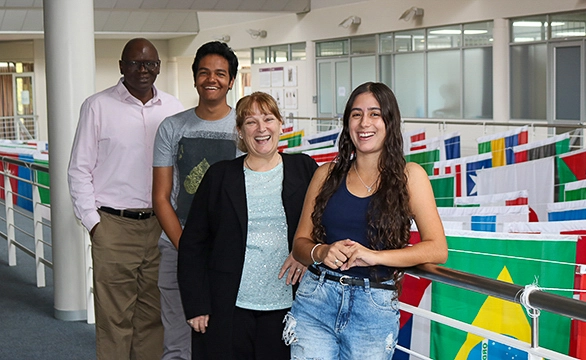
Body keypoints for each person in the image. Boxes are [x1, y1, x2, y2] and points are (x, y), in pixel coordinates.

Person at [284, 82, 448, 360]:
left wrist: (375, 257)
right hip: (316, 300)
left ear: (390, 122)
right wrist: (321, 251)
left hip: (373, 307)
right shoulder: (326, 174)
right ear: (347, 122)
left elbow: (437, 249)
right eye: (356, 114)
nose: (364, 123)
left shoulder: (411, 176)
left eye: (374, 113)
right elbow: (300, 244)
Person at [177, 92, 318, 359]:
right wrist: (196, 304)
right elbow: (193, 244)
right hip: (228, 308)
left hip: (290, 308)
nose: (261, 128)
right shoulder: (219, 176)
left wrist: (306, 253)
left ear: (280, 124)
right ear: (240, 131)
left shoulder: (305, 169)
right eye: (251, 122)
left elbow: (326, 223)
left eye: (268, 118)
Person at [68, 38, 184, 360]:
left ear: (159, 67)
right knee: (114, 319)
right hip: (114, 227)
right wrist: (95, 225)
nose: (143, 70)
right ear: (122, 67)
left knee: (152, 318)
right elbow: (79, 170)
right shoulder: (97, 106)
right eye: (135, 63)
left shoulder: (174, 109)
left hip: (161, 226)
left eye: (150, 64)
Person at [152, 41, 241, 360]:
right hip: (178, 245)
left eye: (220, 73)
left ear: (231, 80)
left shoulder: (245, 129)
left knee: (225, 340)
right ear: (194, 78)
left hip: (230, 250)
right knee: (177, 343)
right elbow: (161, 197)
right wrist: (188, 247)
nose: (211, 79)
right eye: (204, 72)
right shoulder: (172, 127)